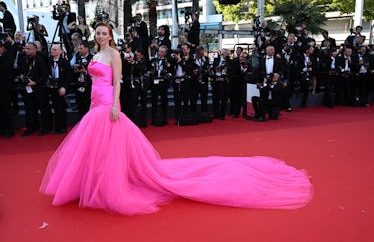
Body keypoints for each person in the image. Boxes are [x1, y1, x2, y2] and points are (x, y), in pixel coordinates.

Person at [39, 22, 313, 216]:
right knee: (95, 148)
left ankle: (107, 186)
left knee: (109, 146)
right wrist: (94, 103)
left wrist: (114, 105)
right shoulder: (96, 54)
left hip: (107, 105)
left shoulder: (113, 54)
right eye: (98, 33)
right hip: (94, 104)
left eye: (104, 33)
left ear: (110, 35)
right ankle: (92, 181)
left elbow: (118, 82)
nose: (100, 36)